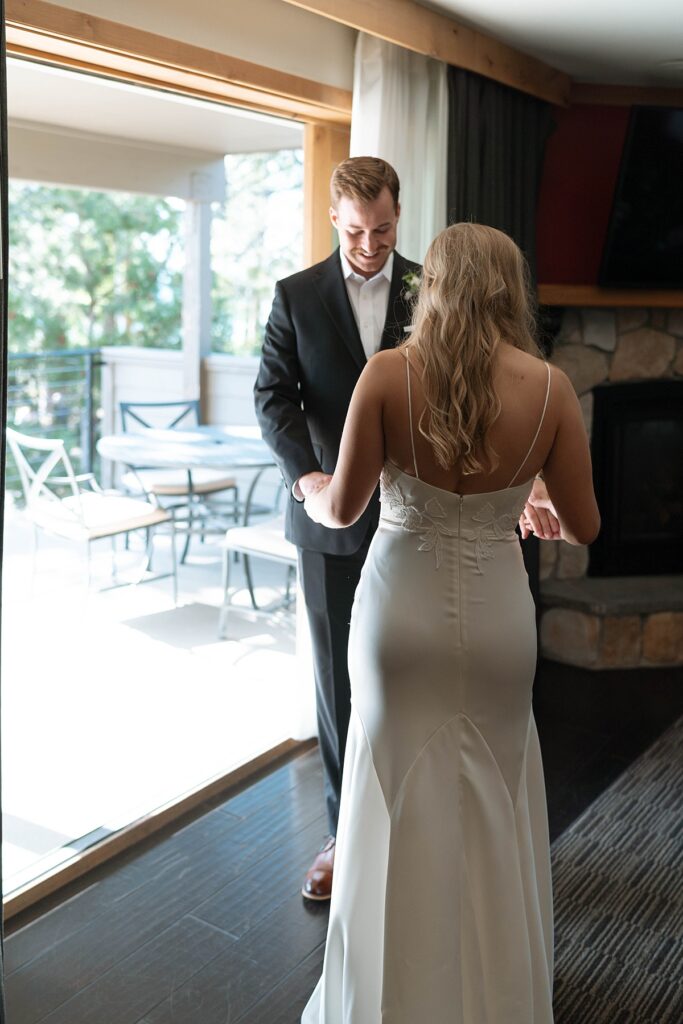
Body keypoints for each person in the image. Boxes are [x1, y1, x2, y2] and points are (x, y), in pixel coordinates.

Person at [300, 223, 600, 1022]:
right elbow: (585, 525)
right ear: (511, 291)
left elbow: (342, 509)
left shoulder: (388, 374)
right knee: (493, 802)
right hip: (498, 622)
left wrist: (306, 486)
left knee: (389, 796)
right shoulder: (549, 388)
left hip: (399, 617)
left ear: (427, 285)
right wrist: (527, 500)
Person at [254, 157, 556, 901]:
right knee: (338, 687)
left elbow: (500, 394)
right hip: (332, 517)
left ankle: (444, 837)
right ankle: (343, 835)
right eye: (356, 231)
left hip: (422, 528)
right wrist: (309, 477)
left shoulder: (441, 285)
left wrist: (530, 477)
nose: (369, 245)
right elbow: (272, 395)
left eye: (383, 229)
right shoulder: (294, 296)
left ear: (398, 215)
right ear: (334, 219)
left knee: (437, 683)